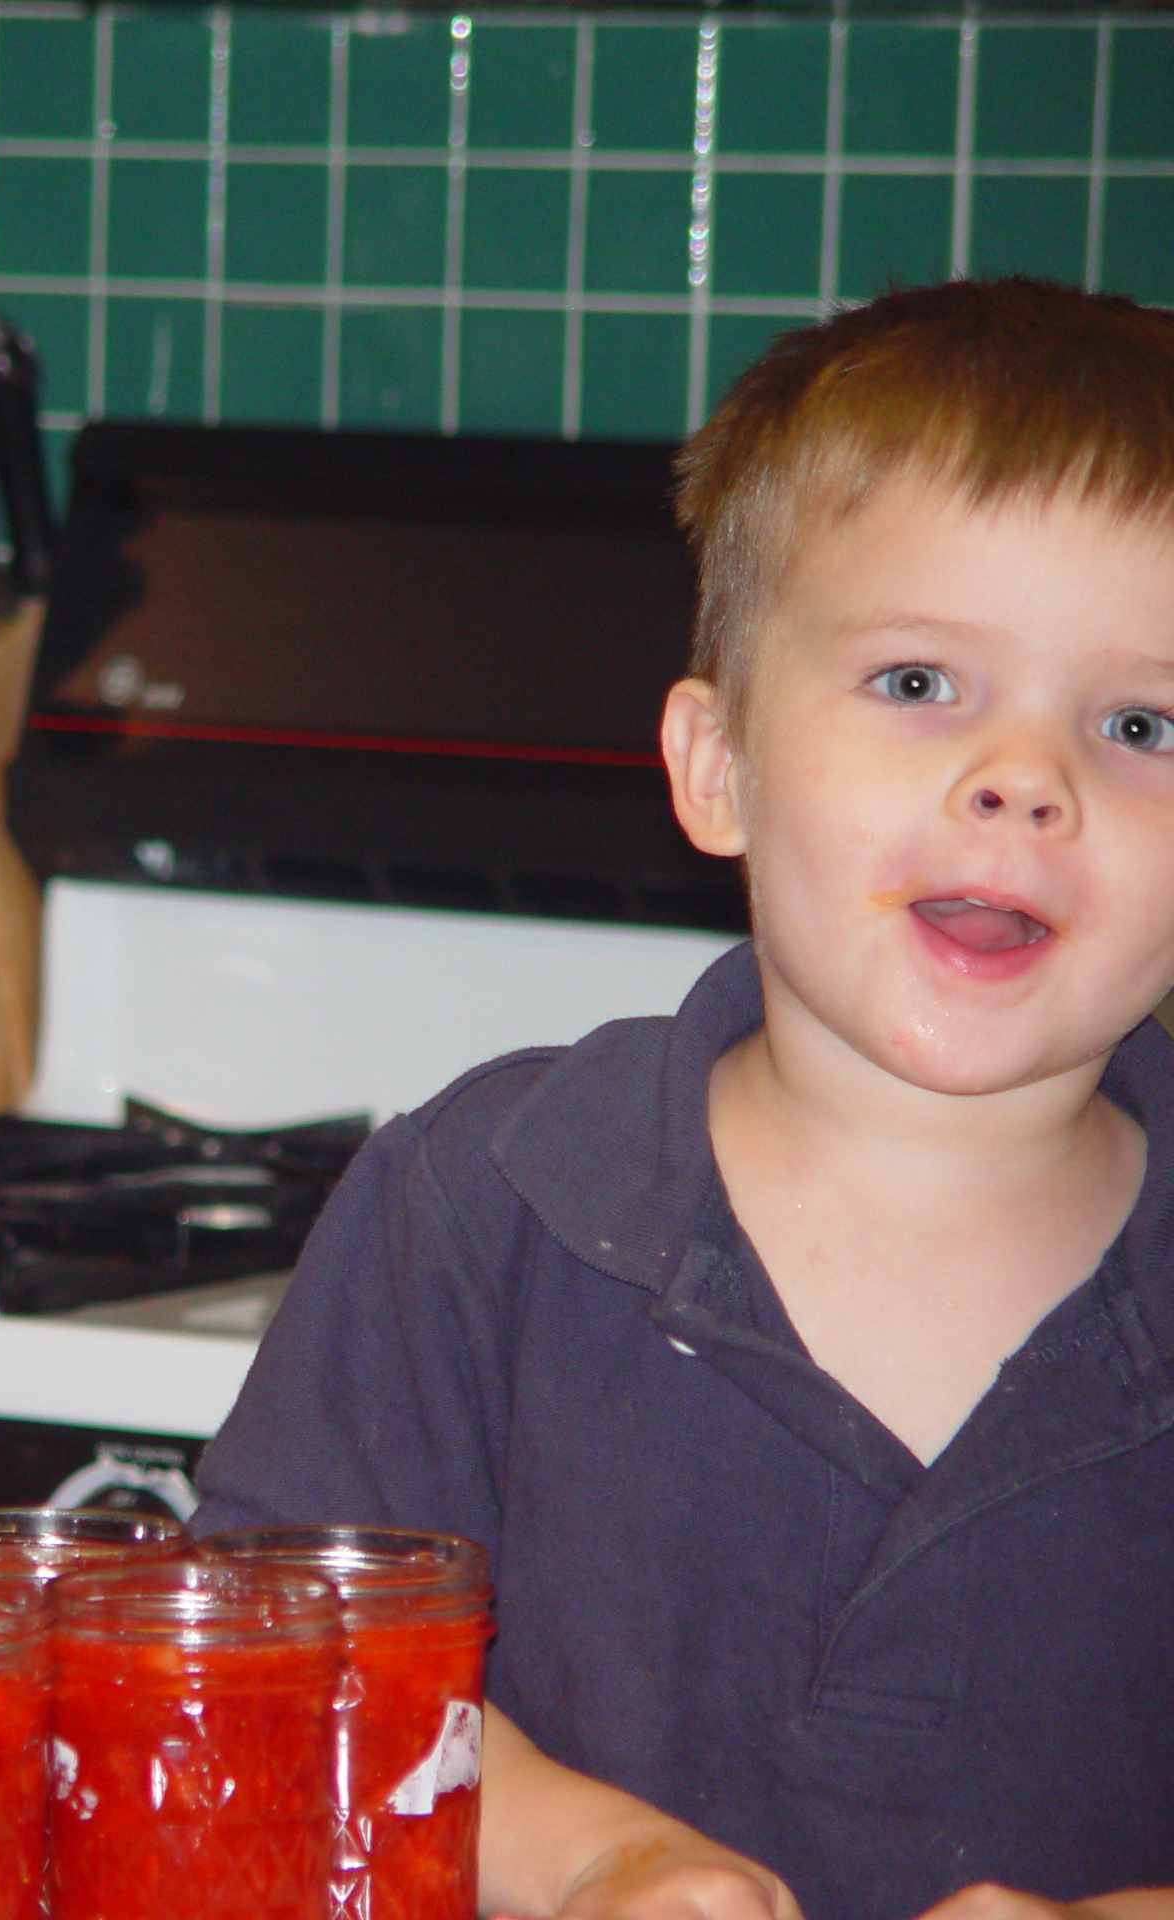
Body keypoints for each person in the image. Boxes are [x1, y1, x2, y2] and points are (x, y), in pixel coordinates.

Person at [192, 277, 1174, 1920]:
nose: (1026, 777)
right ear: (718, 767)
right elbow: (276, 1674)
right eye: (921, 682)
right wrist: (596, 1863)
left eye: (1142, 719)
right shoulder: (484, 1202)